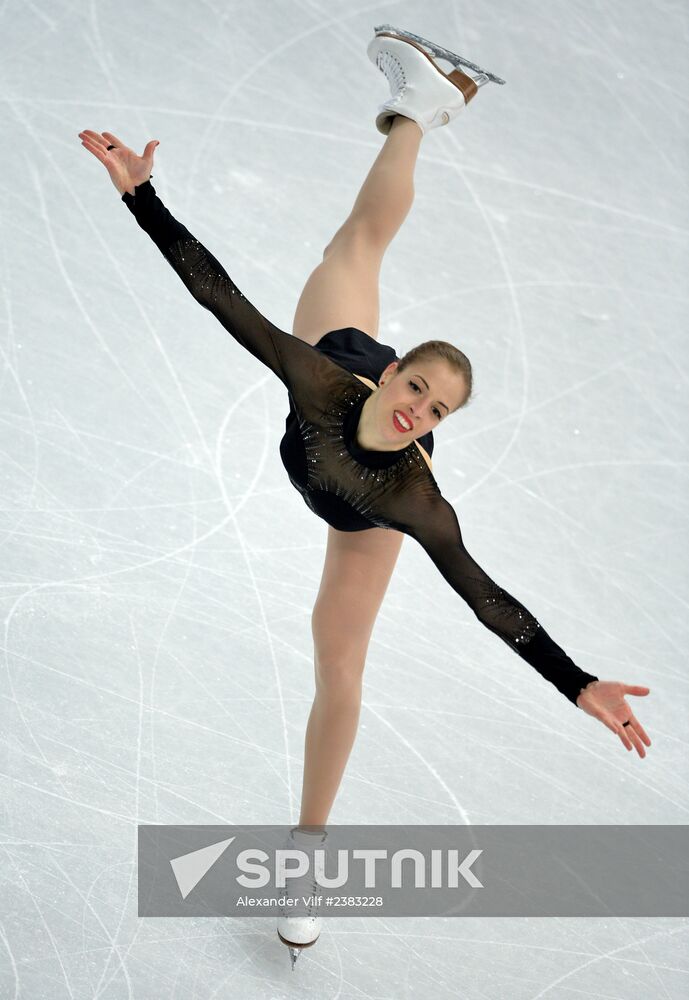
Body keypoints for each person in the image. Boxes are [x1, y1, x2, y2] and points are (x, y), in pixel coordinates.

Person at [77, 22, 652, 969]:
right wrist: (144, 196)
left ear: (434, 430)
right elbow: (217, 294)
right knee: (359, 238)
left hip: (352, 507)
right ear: (388, 375)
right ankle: (420, 111)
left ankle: (307, 856)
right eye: (414, 387)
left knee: (337, 666)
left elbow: (487, 599)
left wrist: (574, 681)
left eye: (435, 412)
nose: (417, 409)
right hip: (329, 378)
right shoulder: (323, 376)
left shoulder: (412, 500)